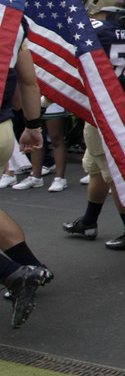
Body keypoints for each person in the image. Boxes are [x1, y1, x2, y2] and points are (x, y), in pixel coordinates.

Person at [62, 0, 125, 251]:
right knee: (97, 168)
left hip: (105, 105)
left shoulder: (93, 30)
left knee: (114, 172)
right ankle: (89, 221)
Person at [0, 31, 51, 328]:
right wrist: (33, 126)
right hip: (4, 128)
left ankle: (12, 273)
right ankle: (31, 266)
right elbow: (27, 84)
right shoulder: (11, 22)